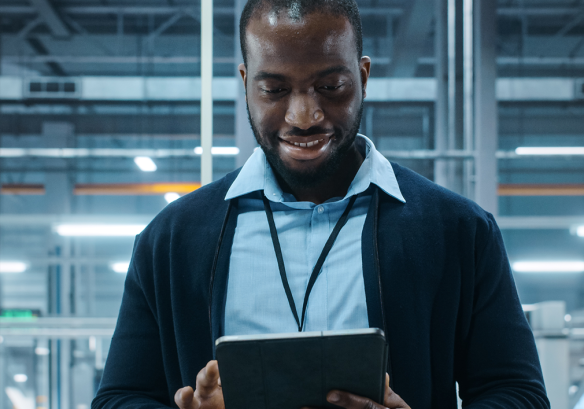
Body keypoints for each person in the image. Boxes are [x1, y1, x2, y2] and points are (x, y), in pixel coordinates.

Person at [92, 1, 550, 408]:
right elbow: (120, 398)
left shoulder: (458, 231)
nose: (303, 116)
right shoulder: (172, 239)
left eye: (330, 87)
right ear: (246, 83)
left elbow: (518, 394)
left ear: (363, 77)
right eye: (274, 90)